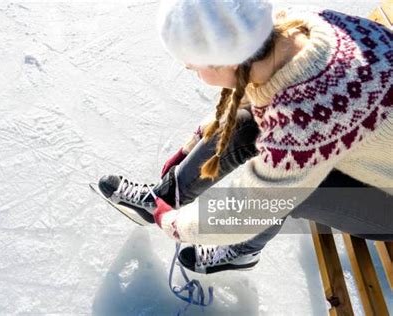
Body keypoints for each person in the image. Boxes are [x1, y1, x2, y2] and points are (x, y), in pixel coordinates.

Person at [97, 0, 393, 274]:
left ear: (227, 62)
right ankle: (165, 196)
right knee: (248, 124)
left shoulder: (304, 115)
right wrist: (199, 137)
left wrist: (173, 224)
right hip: (370, 151)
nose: (195, 74)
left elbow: (255, 204)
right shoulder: (300, 25)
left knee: (292, 192)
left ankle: (243, 251)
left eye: (193, 68)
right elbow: (257, 95)